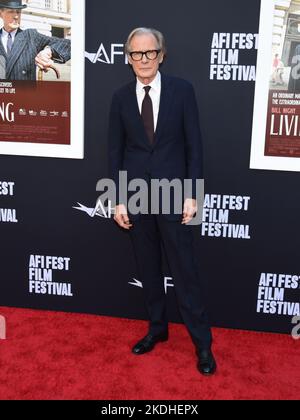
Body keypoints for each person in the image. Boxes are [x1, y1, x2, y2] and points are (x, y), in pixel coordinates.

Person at [108, 27, 216, 376]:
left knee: (185, 273)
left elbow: (194, 147)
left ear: (161, 55)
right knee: (149, 270)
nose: (143, 59)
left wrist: (192, 194)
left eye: (149, 52)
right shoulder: (120, 98)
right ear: (128, 58)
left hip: (174, 195)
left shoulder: (183, 91)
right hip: (137, 196)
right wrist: (117, 198)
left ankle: (202, 344)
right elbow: (115, 152)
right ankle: (157, 329)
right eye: (136, 54)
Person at [0, 0, 70, 81]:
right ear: (1, 13)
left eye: (18, 12)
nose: (16, 16)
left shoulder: (31, 36)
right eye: (11, 11)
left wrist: (49, 51)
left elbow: (68, 44)